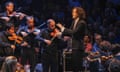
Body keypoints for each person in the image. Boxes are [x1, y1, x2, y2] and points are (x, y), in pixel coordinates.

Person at [57, 7, 87, 72]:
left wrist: (62, 28)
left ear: (78, 13)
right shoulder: (74, 22)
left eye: (74, 12)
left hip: (78, 47)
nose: (72, 13)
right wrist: (60, 34)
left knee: (77, 67)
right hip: (74, 47)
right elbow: (69, 33)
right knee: (74, 67)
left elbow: (74, 32)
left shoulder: (82, 23)